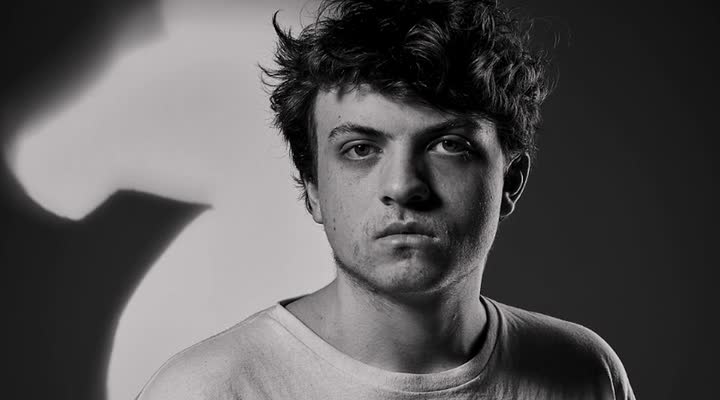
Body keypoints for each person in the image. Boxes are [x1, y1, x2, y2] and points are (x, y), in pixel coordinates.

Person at [138, 0, 635, 398]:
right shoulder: (206, 390)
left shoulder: (586, 372)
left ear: (511, 181)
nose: (403, 186)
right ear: (312, 188)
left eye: (449, 145)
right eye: (360, 149)